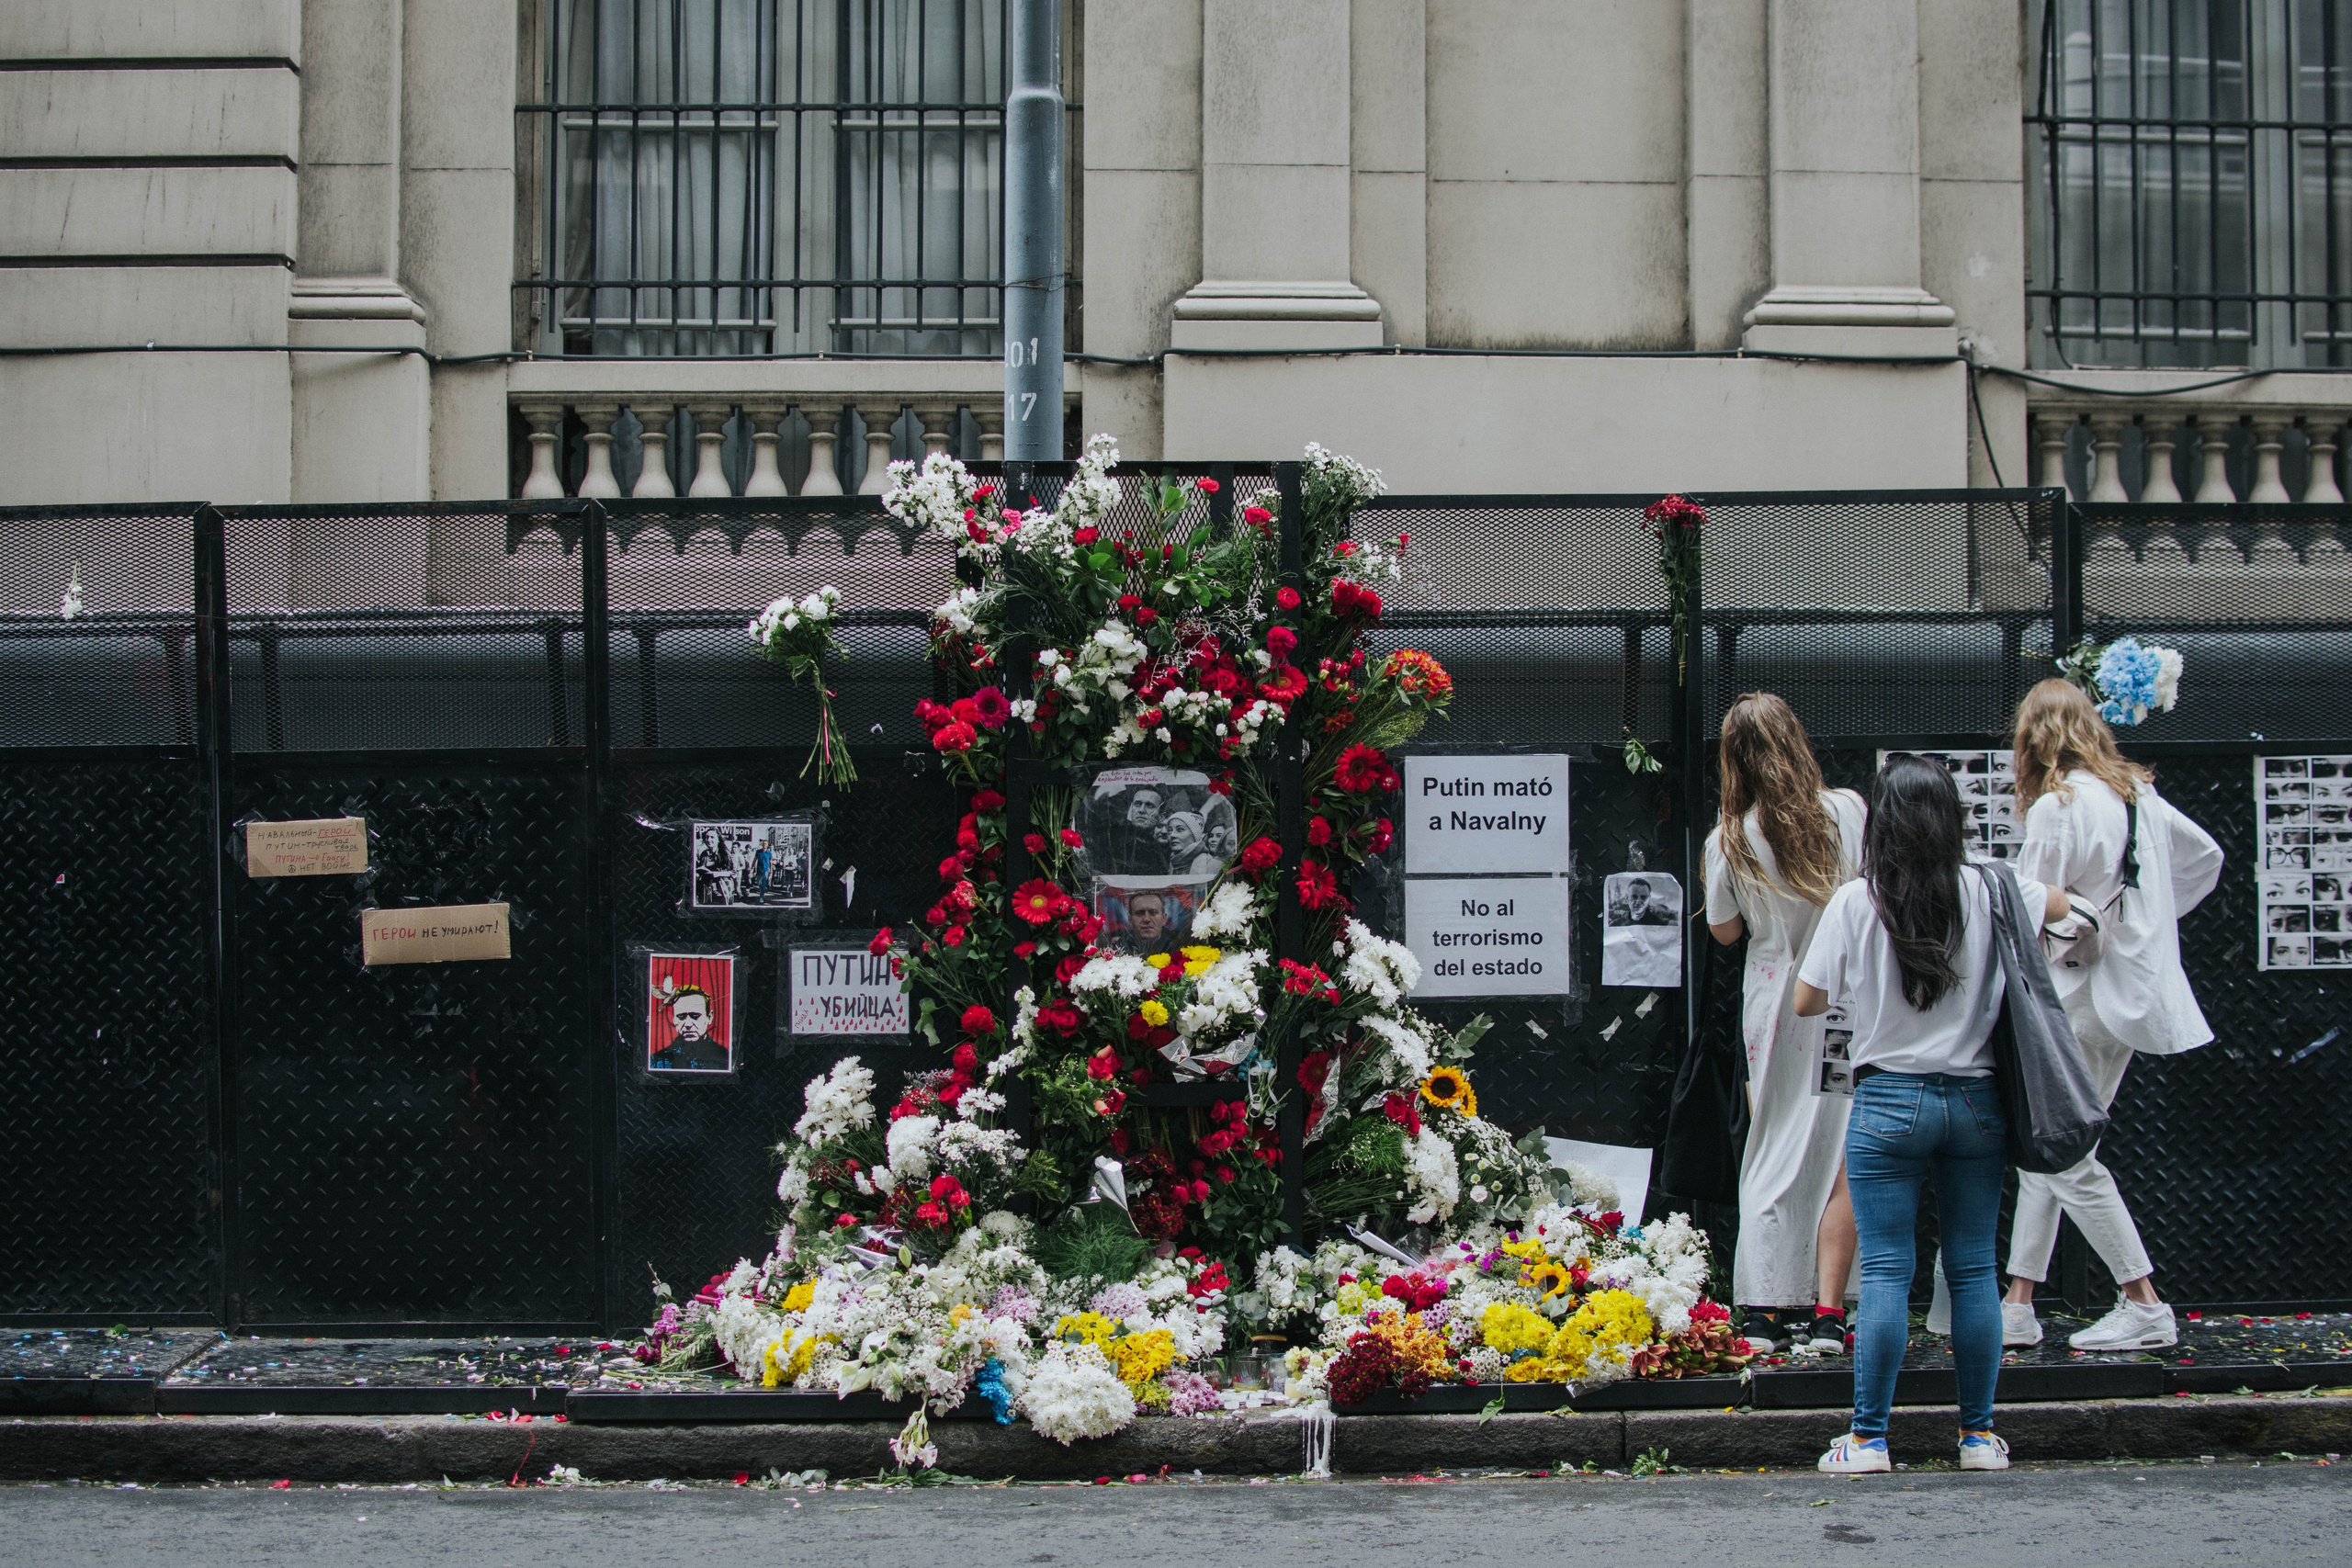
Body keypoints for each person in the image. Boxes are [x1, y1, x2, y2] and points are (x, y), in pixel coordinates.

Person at [1794, 753, 2070, 1474]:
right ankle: (1978, 1437)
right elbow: (2065, 907)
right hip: (1977, 1102)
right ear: (1953, 816)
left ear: (1881, 820)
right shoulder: (1992, 889)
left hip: (1887, 1101)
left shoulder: (1858, 900)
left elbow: (1806, 999)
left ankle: (1869, 1438)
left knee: (1886, 1269)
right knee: (1975, 1269)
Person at [1998, 678, 2223, 1351]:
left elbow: (2028, 911)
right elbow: (2205, 857)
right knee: (2058, 1147)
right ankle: (2018, 1300)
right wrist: (2140, 929)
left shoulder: (2057, 805)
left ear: (2033, 735)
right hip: (2121, 997)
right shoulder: (2137, 794)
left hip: (2072, 1000)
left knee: (2062, 1153)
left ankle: (2142, 1299)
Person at [1703, 693, 1869, 1355]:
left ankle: (1767, 1308)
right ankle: (1831, 1307)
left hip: (1773, 1001)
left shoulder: (1730, 835)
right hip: (1844, 997)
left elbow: (1723, 931)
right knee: (1840, 1148)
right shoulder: (1849, 810)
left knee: (1771, 1144)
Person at [651, 984, 728, 1071]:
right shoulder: (656, 1060)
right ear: (673, 1019)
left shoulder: (726, 1057)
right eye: (681, 1016)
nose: (688, 1024)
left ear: (710, 1017)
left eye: (695, 1016)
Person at [1119, 889, 1175, 953]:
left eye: (1153, 913)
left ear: (1164, 919)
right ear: (1130, 920)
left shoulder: (1176, 945)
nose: (1146, 919)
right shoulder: (1122, 947)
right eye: (1140, 913)